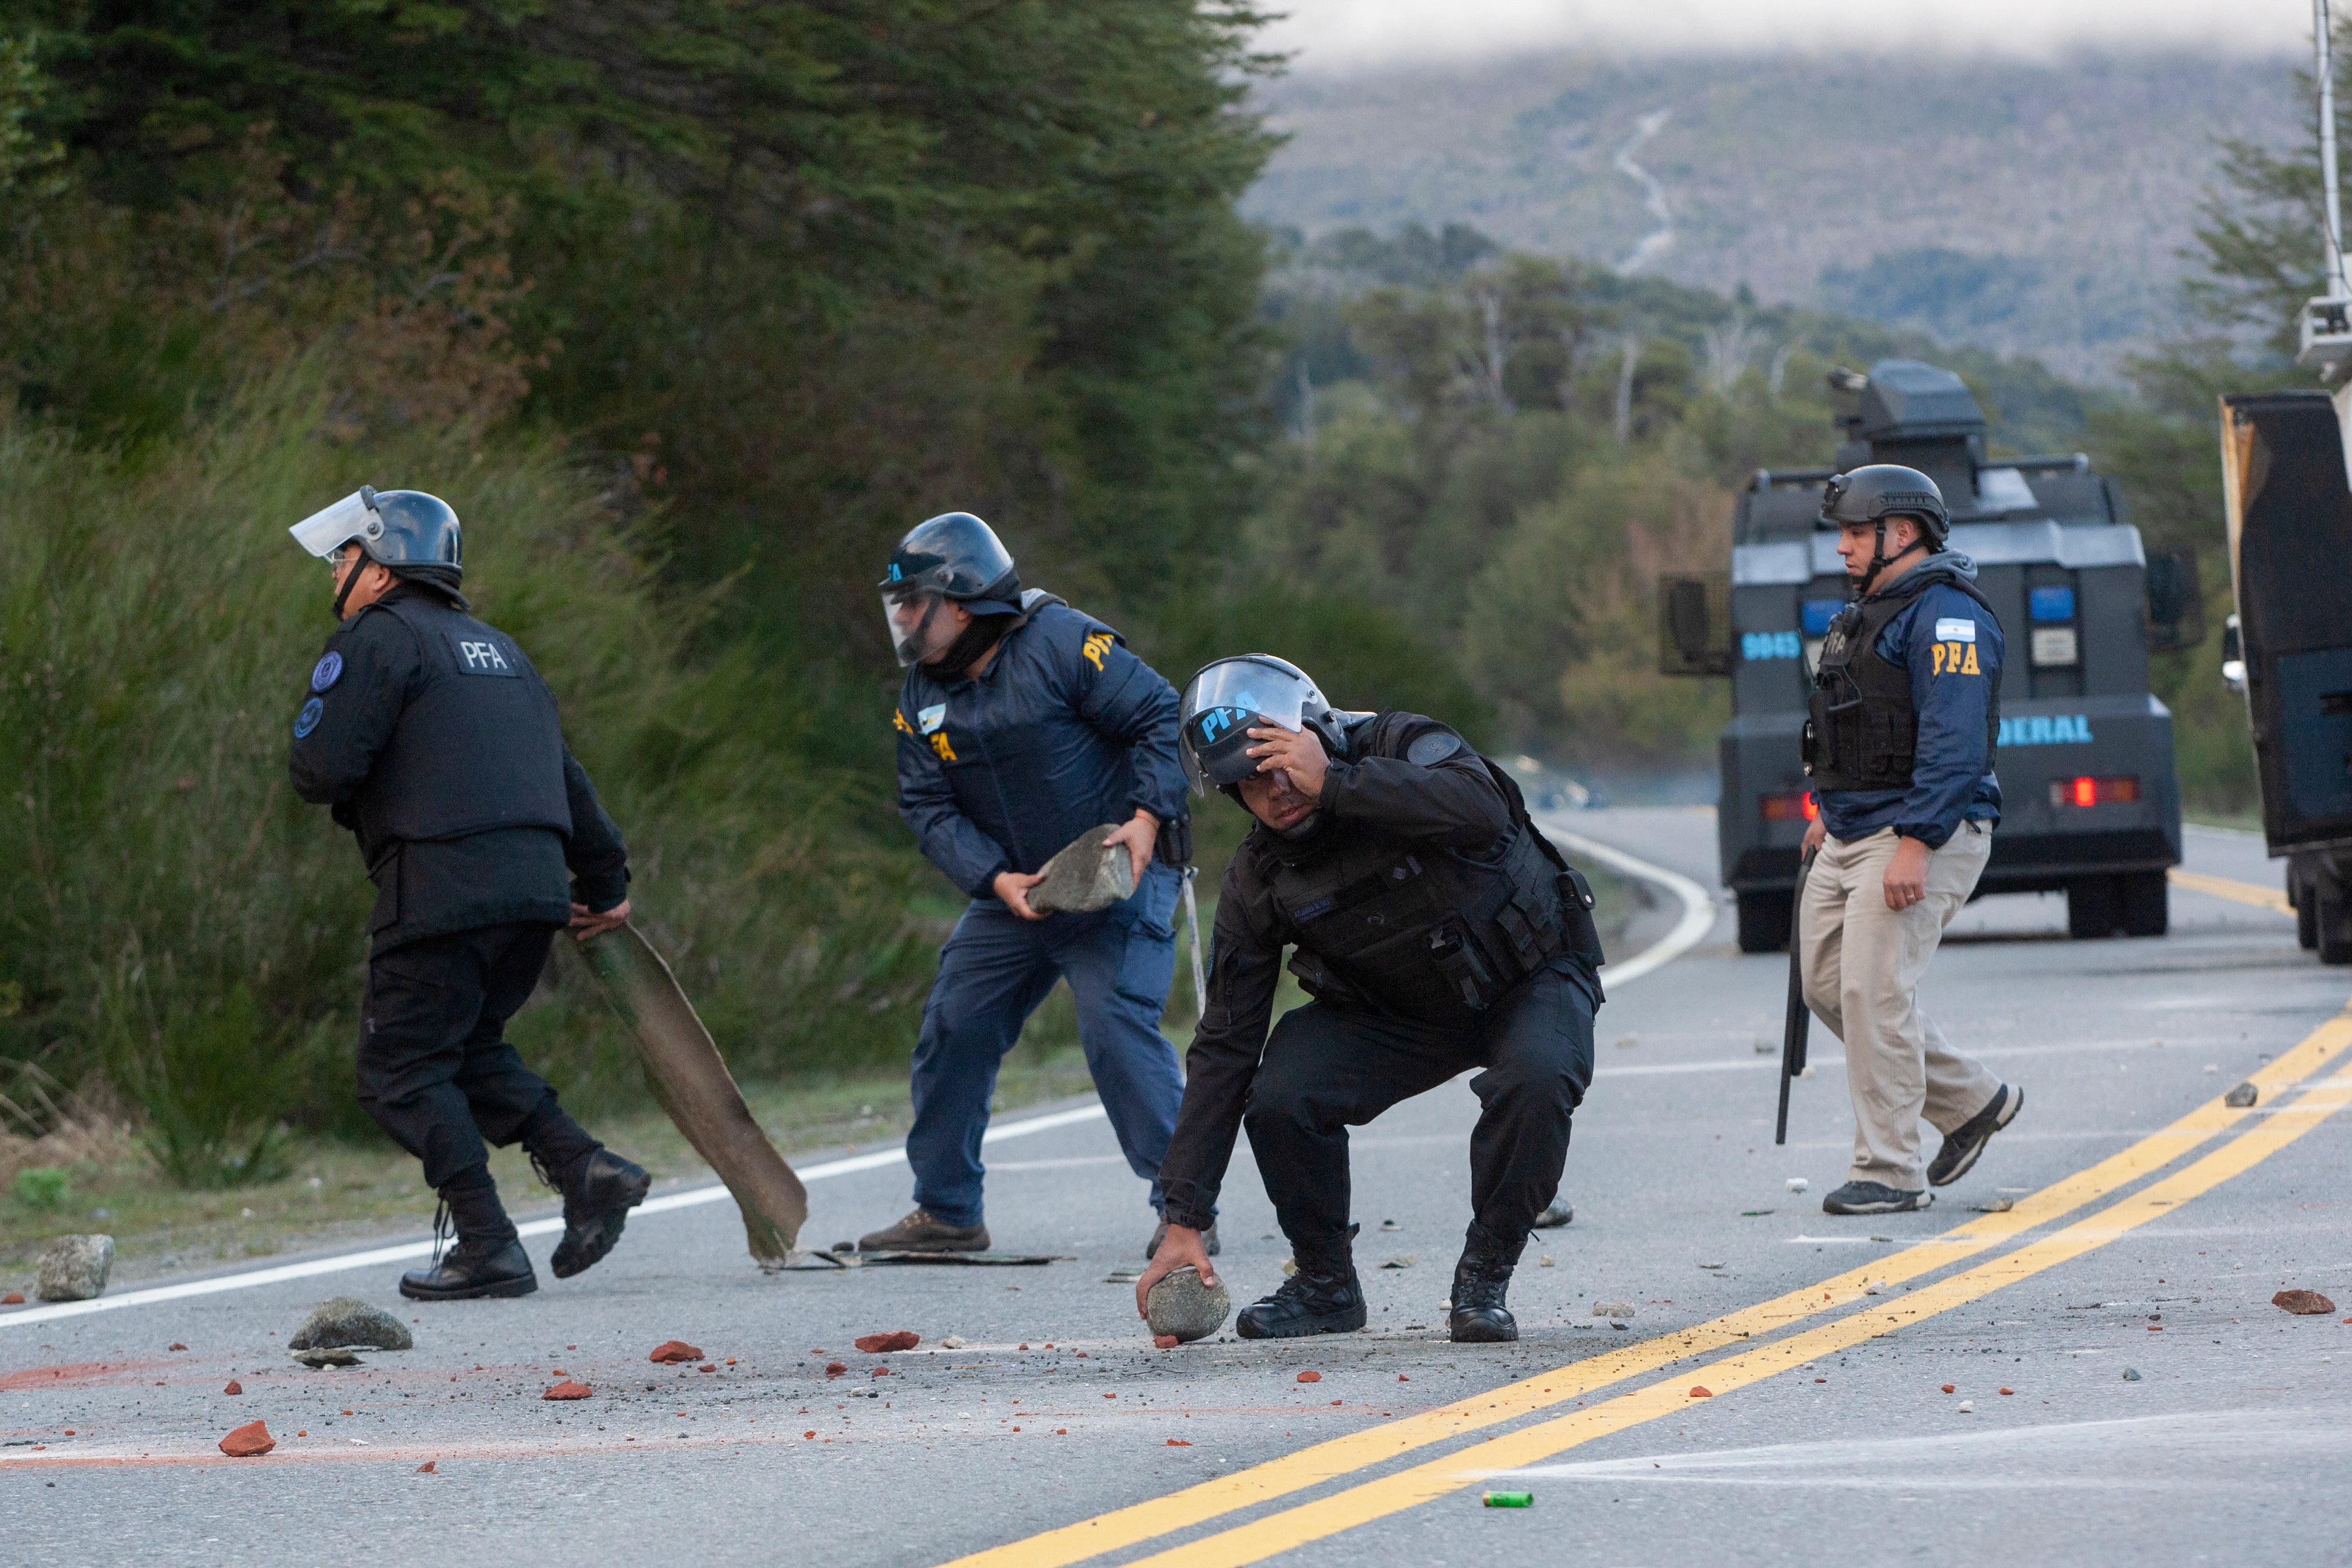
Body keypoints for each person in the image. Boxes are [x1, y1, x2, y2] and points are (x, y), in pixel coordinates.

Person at [1134, 657, 1603, 1344]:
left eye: (1280, 762)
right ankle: (1325, 1285)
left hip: (1529, 978)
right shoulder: (1260, 878)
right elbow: (1225, 1043)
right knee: (1283, 1093)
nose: (1276, 790)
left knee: (1536, 1078)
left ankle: (1484, 1279)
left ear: (1315, 734)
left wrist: (1337, 783)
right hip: (1400, 1015)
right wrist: (1185, 1218)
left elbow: (1482, 807)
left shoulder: (1400, 743)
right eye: (1251, 782)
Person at [286, 486, 651, 1301]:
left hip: (440, 887)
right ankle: (586, 1169)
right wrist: (605, 884)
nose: (336, 572)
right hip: (534, 896)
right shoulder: (503, 652)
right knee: (469, 1049)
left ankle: (487, 1243)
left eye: (346, 557)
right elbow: (568, 777)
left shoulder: (378, 639)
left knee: (399, 1071)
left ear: (384, 568)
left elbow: (320, 770)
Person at [869, 512, 1198, 1256]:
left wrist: (1148, 818)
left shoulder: (1064, 643)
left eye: (914, 602)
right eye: (898, 605)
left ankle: (1185, 1210)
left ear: (963, 603)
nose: (903, 619)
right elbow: (926, 805)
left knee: (1115, 1027)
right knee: (954, 1024)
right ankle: (947, 1211)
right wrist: (992, 878)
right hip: (1019, 892)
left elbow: (1159, 715)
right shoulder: (919, 696)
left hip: (1116, 871)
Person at [1798, 464, 2024, 1216]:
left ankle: (1891, 1171)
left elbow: (1955, 743)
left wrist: (1918, 843)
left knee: (1873, 992)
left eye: (1854, 534)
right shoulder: (1870, 613)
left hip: (1922, 829)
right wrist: (1829, 808)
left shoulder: (1949, 615)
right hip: (1852, 828)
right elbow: (1855, 725)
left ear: (1902, 532)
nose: (1842, 548)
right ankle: (1972, 1102)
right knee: (1828, 986)